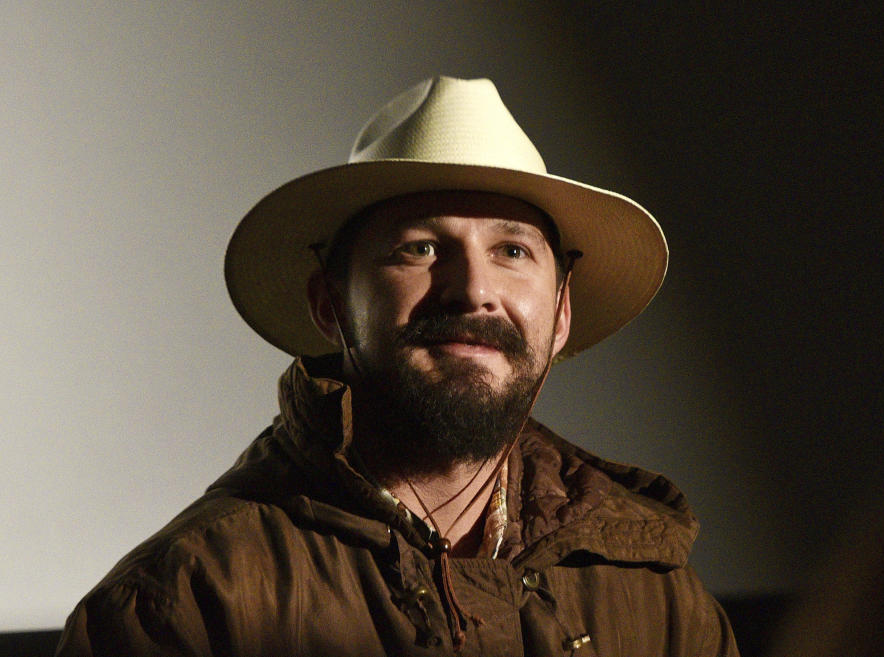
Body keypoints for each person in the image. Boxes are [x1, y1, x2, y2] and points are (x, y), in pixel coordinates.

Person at [57, 76, 739, 656]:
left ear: (560, 314)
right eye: (418, 248)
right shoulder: (186, 603)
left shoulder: (660, 597)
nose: (472, 288)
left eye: (512, 251)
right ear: (330, 305)